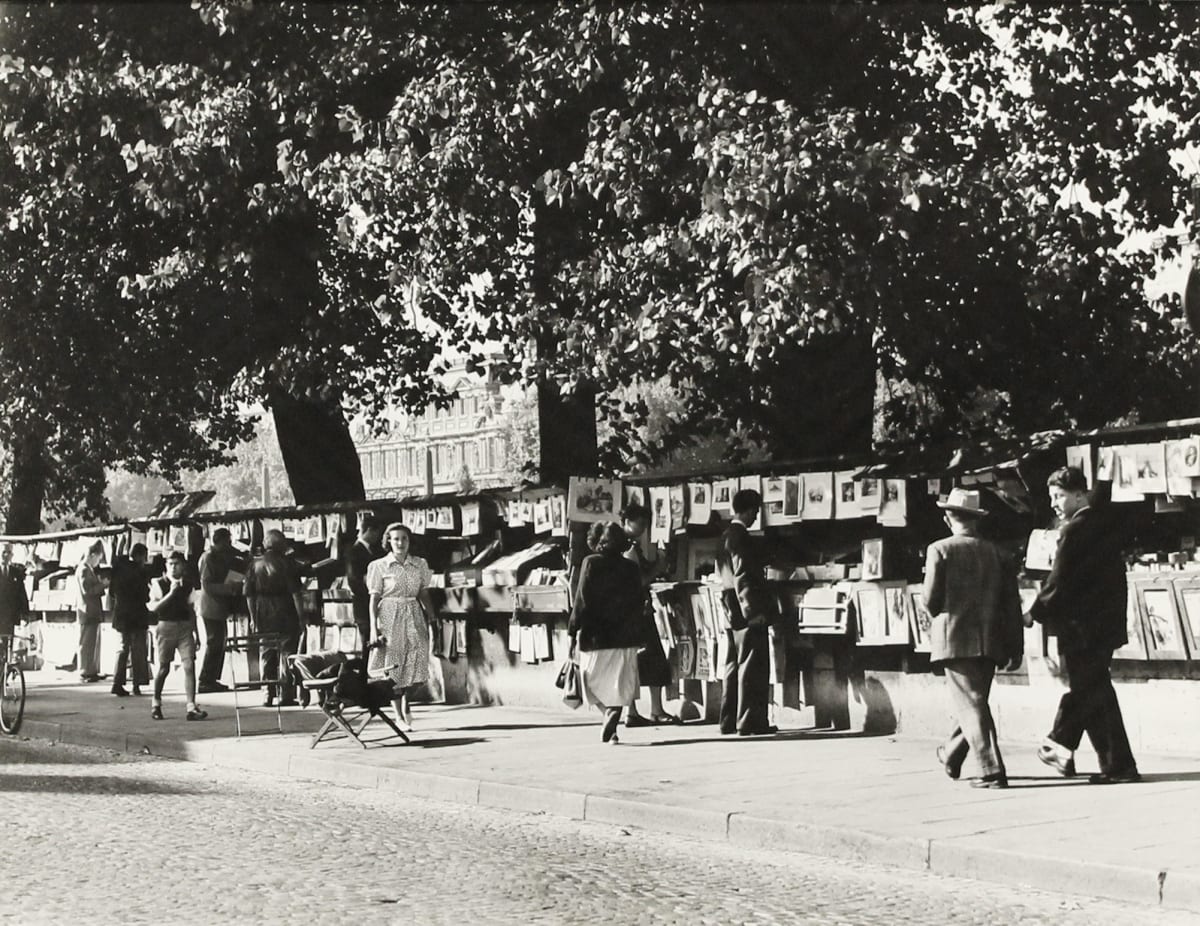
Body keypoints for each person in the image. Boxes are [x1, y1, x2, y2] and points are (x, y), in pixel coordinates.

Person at [1026, 466, 1140, 785]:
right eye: (1051, 497)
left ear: (1080, 494)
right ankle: (1066, 747)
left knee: (1092, 692)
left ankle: (1113, 764)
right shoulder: (1103, 524)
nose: (1054, 503)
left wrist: (1033, 612)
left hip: (1081, 628)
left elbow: (1058, 580)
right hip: (1105, 626)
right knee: (1092, 691)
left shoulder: (1074, 530)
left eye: (1059, 496)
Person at [922, 488, 1023, 789]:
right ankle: (951, 755)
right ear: (977, 520)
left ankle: (991, 769)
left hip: (954, 639)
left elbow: (931, 601)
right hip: (991, 639)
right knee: (975, 703)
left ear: (948, 517)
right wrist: (1015, 646)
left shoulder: (939, 549)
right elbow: (1011, 605)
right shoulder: (998, 553)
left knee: (971, 705)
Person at [568, 521, 645, 744]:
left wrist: (573, 630)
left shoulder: (590, 563)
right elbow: (638, 601)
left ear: (596, 541)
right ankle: (612, 714)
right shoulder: (631, 567)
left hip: (596, 635)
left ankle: (608, 714)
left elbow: (581, 600)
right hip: (624, 636)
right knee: (620, 684)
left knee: (589, 682)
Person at [717, 489, 777, 736]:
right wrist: (752, 609)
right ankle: (750, 721)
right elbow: (743, 574)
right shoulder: (740, 536)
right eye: (756, 511)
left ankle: (729, 719)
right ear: (751, 510)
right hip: (745, 604)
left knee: (733, 663)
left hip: (730, 603)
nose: (756, 517)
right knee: (752, 663)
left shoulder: (725, 535)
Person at [367, 522, 435, 731]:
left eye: (404, 538)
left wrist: (432, 616)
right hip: (390, 614)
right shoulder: (379, 566)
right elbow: (373, 599)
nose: (400, 543)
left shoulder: (419, 564)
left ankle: (407, 701)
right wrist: (373, 628)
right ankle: (398, 715)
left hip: (413, 613)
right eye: (396, 538)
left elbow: (423, 592)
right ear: (388, 541)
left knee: (418, 657)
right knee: (394, 662)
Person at [618, 503, 680, 728]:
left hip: (628, 613)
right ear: (627, 521)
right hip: (637, 612)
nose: (644, 528)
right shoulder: (628, 549)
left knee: (634, 661)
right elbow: (637, 582)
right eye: (641, 523)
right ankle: (655, 709)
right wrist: (659, 565)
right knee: (652, 657)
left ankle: (632, 711)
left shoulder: (625, 545)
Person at [243, 529, 304, 708]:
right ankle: (286, 693)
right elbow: (296, 593)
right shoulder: (287, 563)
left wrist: (253, 617)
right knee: (287, 652)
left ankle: (267, 693)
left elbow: (248, 595)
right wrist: (301, 617)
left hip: (263, 611)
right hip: (285, 610)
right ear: (281, 545)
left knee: (267, 653)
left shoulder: (254, 564)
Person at [148, 552, 207, 721]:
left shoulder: (188, 585)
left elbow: (191, 610)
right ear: (166, 566)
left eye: (177, 564)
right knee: (163, 668)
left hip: (184, 628)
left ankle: (191, 706)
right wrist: (171, 594)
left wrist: (196, 633)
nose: (173, 567)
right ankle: (156, 703)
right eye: (170, 564)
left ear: (183, 566)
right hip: (165, 627)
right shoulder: (159, 583)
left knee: (189, 664)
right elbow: (154, 608)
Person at [197, 528, 241, 693]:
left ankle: (213, 678)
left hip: (220, 607)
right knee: (214, 643)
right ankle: (205, 679)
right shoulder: (208, 558)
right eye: (227, 542)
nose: (229, 545)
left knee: (220, 643)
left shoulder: (222, 555)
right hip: (211, 607)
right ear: (220, 541)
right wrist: (229, 588)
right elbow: (207, 585)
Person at [110, 543, 152, 697]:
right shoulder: (139, 572)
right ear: (141, 556)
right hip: (137, 615)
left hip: (121, 614)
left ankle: (117, 682)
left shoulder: (118, 569)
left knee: (122, 649)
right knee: (138, 650)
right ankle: (136, 684)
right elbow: (145, 595)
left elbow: (111, 592)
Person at [346, 515, 383, 658]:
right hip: (363, 606)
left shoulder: (373, 551)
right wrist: (372, 596)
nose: (377, 537)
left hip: (373, 605)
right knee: (368, 645)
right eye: (376, 533)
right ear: (369, 530)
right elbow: (354, 581)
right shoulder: (354, 551)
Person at [75, 541, 106, 682]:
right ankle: (85, 671)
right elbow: (88, 591)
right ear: (92, 555)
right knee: (87, 643)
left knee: (93, 642)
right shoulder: (84, 570)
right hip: (87, 611)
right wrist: (103, 585)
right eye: (99, 558)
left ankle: (92, 670)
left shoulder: (88, 569)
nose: (98, 561)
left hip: (91, 611)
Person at [0, 543, 30, 642]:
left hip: (10, 616)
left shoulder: (16, 572)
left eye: (8, 553)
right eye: (3, 552)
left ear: (12, 555)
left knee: (9, 644)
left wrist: (25, 613)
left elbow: (21, 593)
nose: (5, 555)